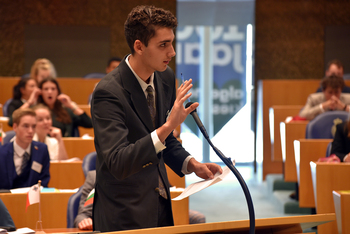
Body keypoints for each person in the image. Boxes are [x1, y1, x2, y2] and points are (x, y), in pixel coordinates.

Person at [91, 5, 222, 232]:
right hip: (123, 213)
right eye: (163, 45)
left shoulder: (164, 76)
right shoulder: (108, 92)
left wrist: (192, 164)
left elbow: (164, 141)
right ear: (139, 46)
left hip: (160, 203)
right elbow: (118, 162)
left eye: (172, 42)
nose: (172, 53)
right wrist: (170, 124)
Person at [74, 170, 206, 230]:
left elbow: (168, 193)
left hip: (162, 215)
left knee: (197, 218)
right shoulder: (96, 177)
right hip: (126, 223)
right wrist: (84, 221)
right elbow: (82, 216)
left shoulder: (152, 170)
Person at [0, 108, 50, 189]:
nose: (30, 131)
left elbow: (44, 182)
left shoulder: (42, 150)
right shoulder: (1, 153)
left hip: (33, 200)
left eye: (33, 126)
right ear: (15, 127)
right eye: (25, 126)